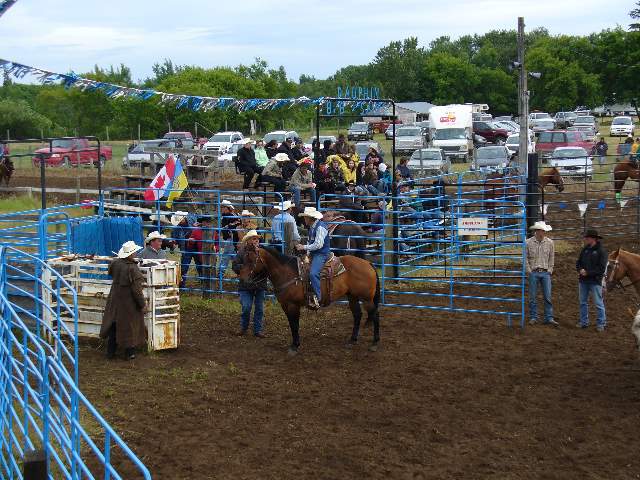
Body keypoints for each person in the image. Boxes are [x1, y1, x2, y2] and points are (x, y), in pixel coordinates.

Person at [100, 241, 147, 360]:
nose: (135, 253)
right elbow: (136, 290)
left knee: (114, 325)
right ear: (131, 254)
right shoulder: (132, 268)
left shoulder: (115, 263)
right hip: (128, 302)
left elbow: (111, 272)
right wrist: (142, 304)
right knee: (129, 326)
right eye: (134, 252)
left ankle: (110, 352)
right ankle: (129, 353)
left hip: (115, 298)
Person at [232, 230, 267, 338]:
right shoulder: (241, 252)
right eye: (253, 238)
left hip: (259, 284)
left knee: (259, 308)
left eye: (257, 239)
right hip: (245, 285)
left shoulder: (263, 252)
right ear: (248, 241)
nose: (256, 240)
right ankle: (244, 327)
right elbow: (234, 266)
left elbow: (268, 267)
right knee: (246, 307)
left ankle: (258, 330)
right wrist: (244, 268)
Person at [295, 207, 329, 309]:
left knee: (313, 273)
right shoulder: (313, 227)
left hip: (321, 254)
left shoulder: (320, 227)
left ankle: (319, 297)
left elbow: (318, 244)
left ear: (310, 218)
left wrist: (303, 247)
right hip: (315, 253)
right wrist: (308, 254)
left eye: (306, 217)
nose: (304, 219)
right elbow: (311, 242)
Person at [526, 221, 557, 326]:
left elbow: (552, 257)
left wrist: (550, 270)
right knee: (532, 296)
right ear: (537, 231)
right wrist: (529, 270)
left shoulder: (550, 243)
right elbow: (524, 258)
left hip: (545, 272)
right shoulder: (528, 242)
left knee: (547, 296)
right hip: (534, 272)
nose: (543, 232)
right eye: (542, 230)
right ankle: (534, 317)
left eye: (544, 231)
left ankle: (548, 317)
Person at [576, 229, 608, 331]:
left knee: (598, 303)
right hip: (584, 280)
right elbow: (578, 262)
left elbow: (601, 268)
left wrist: (588, 272)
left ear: (593, 238)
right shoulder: (585, 249)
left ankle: (601, 323)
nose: (585, 239)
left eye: (587, 237)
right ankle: (584, 322)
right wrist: (580, 269)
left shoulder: (601, 251)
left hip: (594, 281)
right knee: (583, 302)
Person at [171, 211, 202, 289]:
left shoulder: (193, 218)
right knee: (184, 267)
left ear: (184, 218)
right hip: (186, 248)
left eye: (180, 220)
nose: (179, 222)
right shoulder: (176, 228)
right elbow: (175, 239)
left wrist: (198, 226)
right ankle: (182, 286)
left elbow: (201, 223)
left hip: (196, 246)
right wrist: (172, 244)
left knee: (200, 264)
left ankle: (204, 282)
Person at [219, 200, 240, 278]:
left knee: (226, 255)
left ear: (228, 208)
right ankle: (240, 271)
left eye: (223, 207)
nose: (221, 208)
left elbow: (238, 223)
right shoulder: (224, 216)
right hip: (227, 238)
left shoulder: (232, 216)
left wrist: (228, 227)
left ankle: (220, 273)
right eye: (221, 207)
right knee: (233, 256)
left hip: (231, 238)